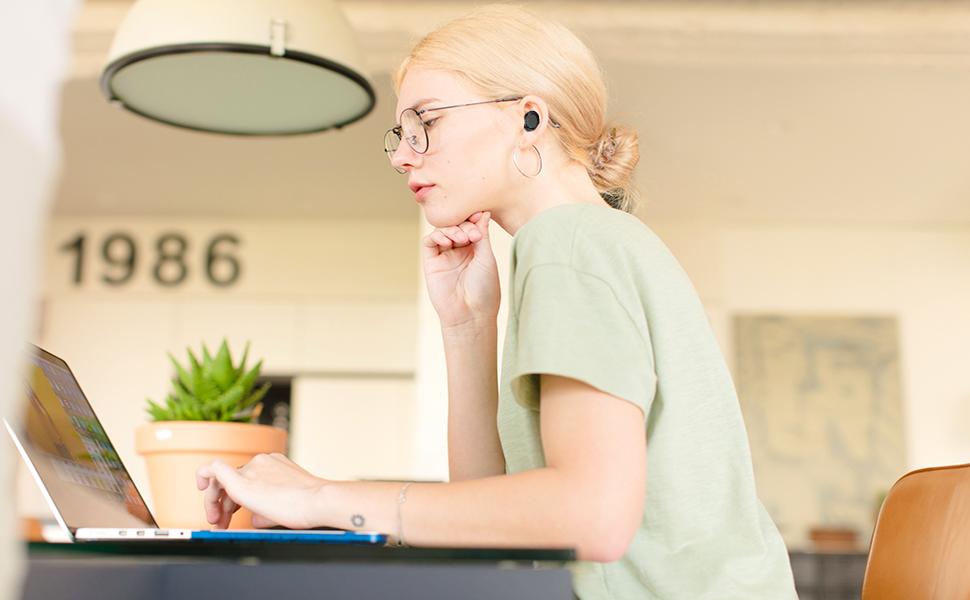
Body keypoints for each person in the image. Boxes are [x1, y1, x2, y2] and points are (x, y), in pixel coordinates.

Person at [197, 4, 797, 598]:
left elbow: (590, 518)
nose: (405, 155)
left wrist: (321, 497)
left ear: (529, 118)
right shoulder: (579, 245)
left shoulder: (569, 245)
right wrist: (468, 327)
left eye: (426, 121)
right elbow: (496, 530)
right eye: (400, 135)